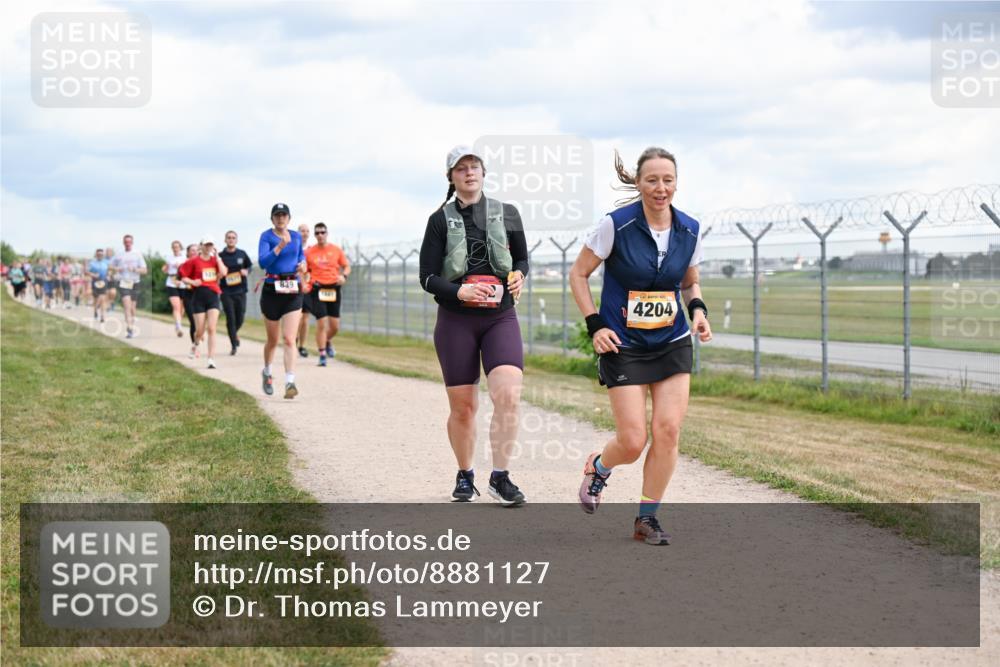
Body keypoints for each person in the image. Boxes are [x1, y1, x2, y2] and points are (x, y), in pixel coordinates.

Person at [570, 147, 711, 546]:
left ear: (676, 183)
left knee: (667, 431)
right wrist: (594, 324)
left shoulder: (689, 229)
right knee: (632, 441)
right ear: (638, 182)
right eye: (652, 180)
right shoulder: (616, 225)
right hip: (623, 341)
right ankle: (599, 467)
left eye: (668, 180)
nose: (660, 188)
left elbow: (688, 281)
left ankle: (646, 519)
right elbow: (578, 275)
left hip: (670, 340)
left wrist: (697, 310)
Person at [418, 145, 529, 506]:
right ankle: (465, 474)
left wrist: (519, 276)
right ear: (451, 177)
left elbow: (522, 258)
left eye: (475, 166)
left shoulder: (507, 213)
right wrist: (461, 291)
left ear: (484, 172)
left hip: (500, 316)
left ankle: (501, 477)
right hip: (456, 320)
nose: (469, 172)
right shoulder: (439, 220)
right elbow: (427, 277)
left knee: (508, 393)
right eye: (461, 168)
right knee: (464, 407)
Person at [258, 202, 307, 399]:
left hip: (292, 290)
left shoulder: (295, 236)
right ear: (272, 218)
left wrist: (303, 264)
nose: (280, 218)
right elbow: (263, 262)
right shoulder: (266, 236)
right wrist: (280, 246)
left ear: (289, 218)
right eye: (277, 215)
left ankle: (290, 381)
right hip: (272, 290)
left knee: (289, 338)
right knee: (273, 340)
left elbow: (300, 256)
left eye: (284, 215)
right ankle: (267, 373)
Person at [304, 222, 350, 366]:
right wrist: (305, 282)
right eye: (317, 233)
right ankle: (322, 353)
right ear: (315, 235)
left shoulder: (336, 250)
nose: (320, 235)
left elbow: (346, 266)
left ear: (327, 233)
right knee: (321, 323)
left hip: (334, 288)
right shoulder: (309, 252)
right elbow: (304, 270)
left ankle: (327, 340)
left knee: (335, 326)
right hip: (318, 289)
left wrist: (344, 276)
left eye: (322, 232)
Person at [178, 236, 227, 369]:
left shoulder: (215, 260)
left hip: (213, 296)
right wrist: (193, 282)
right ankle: (195, 344)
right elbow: (182, 276)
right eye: (206, 245)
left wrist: (218, 258)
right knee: (200, 330)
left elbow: (223, 273)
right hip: (198, 297)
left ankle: (211, 359)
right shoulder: (194, 261)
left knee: (212, 328)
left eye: (210, 245)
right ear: (201, 246)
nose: (208, 247)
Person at [218, 230, 253, 355]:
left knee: (240, 317)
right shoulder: (220, 255)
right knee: (231, 318)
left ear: (236, 240)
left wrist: (247, 271)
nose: (231, 239)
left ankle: (234, 334)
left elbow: (250, 267)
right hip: (226, 291)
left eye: (233, 238)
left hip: (241, 290)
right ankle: (233, 344)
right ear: (225, 240)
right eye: (229, 237)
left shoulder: (242, 254)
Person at [109, 235, 147, 338]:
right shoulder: (119, 254)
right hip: (124, 282)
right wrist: (117, 268)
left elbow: (144, 270)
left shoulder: (137, 254)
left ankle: (132, 324)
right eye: (126, 242)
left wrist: (135, 269)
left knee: (133, 308)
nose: (127, 243)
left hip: (135, 282)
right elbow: (110, 266)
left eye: (129, 242)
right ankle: (129, 328)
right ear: (123, 242)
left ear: (132, 242)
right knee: (127, 305)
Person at [295, 222, 313, 358]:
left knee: (305, 317)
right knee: (296, 316)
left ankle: (302, 345)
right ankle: (292, 339)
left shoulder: (312, 250)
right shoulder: (293, 247)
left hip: (306, 286)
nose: (305, 233)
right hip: (294, 285)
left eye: (307, 231)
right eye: (302, 231)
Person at [163, 241, 187, 338]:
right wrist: (167, 267)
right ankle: (179, 326)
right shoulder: (169, 257)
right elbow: (164, 269)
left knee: (181, 307)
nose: (175, 249)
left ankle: (178, 323)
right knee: (176, 306)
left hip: (182, 282)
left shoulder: (185, 258)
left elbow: (188, 269)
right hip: (171, 281)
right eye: (173, 247)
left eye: (177, 247)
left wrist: (180, 267)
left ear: (180, 248)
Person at [177, 243, 199, 352]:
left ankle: (198, 336)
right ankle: (195, 345)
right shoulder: (184, 265)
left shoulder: (203, 264)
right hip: (189, 296)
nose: (194, 252)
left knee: (201, 323)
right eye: (192, 250)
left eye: (196, 250)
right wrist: (186, 282)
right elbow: (178, 278)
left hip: (202, 296)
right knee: (193, 322)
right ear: (187, 253)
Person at [87, 248, 110, 322]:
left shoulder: (107, 262)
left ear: (103, 255)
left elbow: (109, 271)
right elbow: (86, 272)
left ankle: (102, 316)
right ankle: (95, 310)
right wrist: (93, 274)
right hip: (95, 282)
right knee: (96, 299)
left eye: (101, 254)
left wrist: (109, 275)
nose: (100, 255)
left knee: (103, 298)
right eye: (98, 254)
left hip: (103, 281)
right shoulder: (92, 263)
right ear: (96, 255)